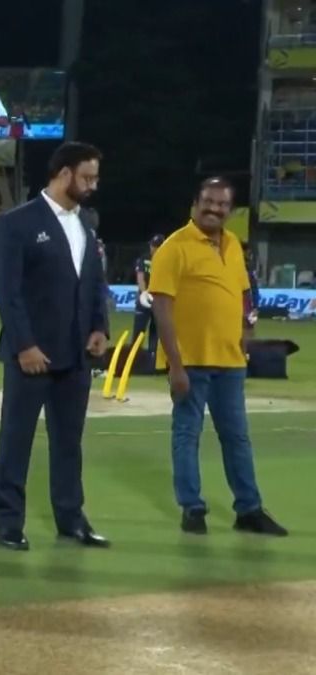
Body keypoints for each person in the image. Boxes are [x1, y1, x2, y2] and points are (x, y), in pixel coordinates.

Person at [149, 177, 287, 537]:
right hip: (190, 361)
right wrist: (174, 364)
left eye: (222, 204)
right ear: (195, 203)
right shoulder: (173, 248)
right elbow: (161, 309)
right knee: (187, 435)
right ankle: (192, 509)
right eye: (208, 202)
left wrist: (244, 331)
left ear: (230, 209)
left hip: (230, 362)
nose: (215, 209)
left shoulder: (233, 246)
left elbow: (242, 293)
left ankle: (249, 510)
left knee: (237, 438)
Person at [0, 141, 110, 552]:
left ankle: (71, 519)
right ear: (63, 174)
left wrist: (100, 327)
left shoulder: (86, 222)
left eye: (95, 177)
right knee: (16, 440)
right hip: (31, 356)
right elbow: (8, 293)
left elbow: (94, 282)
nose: (93, 185)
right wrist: (24, 345)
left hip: (76, 355)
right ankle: (7, 522)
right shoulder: (17, 222)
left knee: (69, 443)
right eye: (87, 177)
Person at [132, 234, 164, 362]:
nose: (152, 248)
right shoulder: (144, 259)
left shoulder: (166, 261)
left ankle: (152, 358)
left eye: (155, 246)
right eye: (152, 245)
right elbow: (140, 276)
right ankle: (134, 356)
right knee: (139, 329)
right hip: (144, 299)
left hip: (159, 300)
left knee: (155, 331)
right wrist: (144, 292)